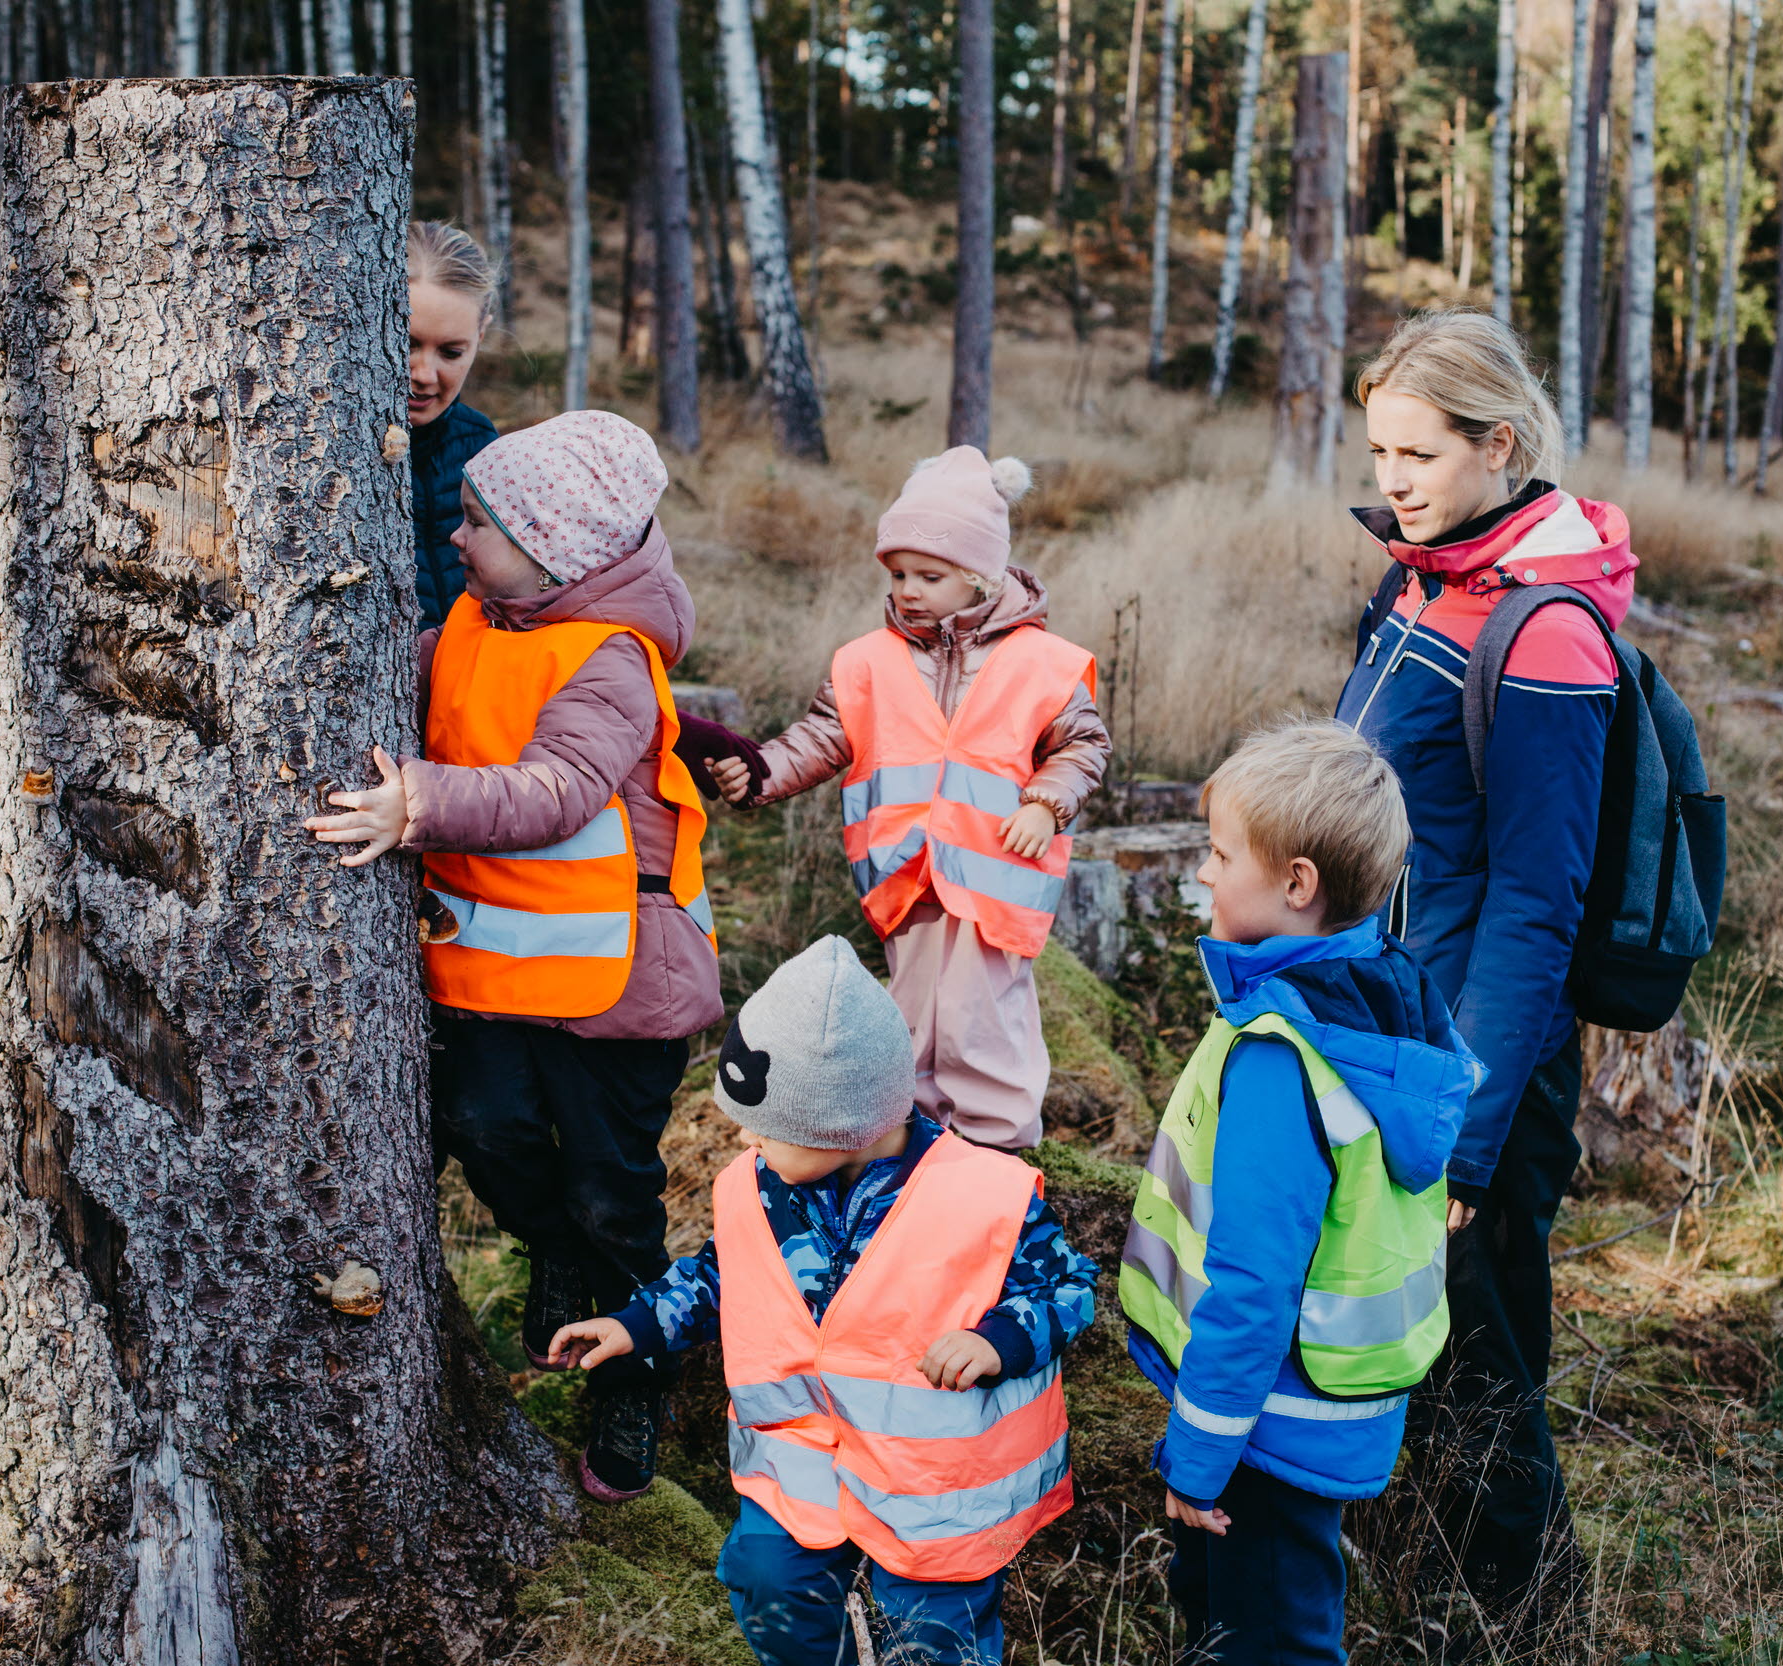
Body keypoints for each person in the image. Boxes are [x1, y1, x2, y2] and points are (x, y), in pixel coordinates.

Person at [303, 410, 721, 1503]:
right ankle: (556, 1254)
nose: (455, 536)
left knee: (613, 1195)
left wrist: (417, 805)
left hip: (620, 987)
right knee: (484, 1129)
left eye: (478, 523)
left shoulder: (611, 660)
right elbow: (422, 678)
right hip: (497, 968)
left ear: (555, 552)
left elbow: (556, 792)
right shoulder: (482, 613)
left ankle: (636, 1368)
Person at [1333, 308, 1635, 1652]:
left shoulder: (1546, 631)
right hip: (1387, 1027)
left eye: (1420, 452)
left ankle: (1533, 1616)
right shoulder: (1420, 578)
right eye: (1379, 448)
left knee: (1479, 1357)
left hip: (1475, 1057)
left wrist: (1464, 1135)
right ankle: (1423, 1580)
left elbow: (1533, 906)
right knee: (1415, 1342)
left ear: (1498, 443)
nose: (1391, 477)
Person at [547, 936, 1097, 1666]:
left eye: (767, 1126)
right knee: (765, 1582)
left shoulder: (982, 1195)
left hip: (933, 1494)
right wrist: (637, 1323)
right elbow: (722, 1274)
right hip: (801, 1467)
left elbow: (1067, 1288)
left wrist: (1000, 1341)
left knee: (932, 1639)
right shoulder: (757, 1187)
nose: (746, 1139)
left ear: (841, 1122)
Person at [1120, 718, 1483, 1666]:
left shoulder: (1283, 1059)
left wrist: (1198, 1454)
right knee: (1251, 1618)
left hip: (1261, 1427)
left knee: (1271, 1641)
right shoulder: (1383, 996)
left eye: (1220, 852)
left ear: (1295, 885)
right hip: (1323, 1411)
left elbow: (1254, 1283)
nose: (1202, 872)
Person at [703, 448, 1110, 1151]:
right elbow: (823, 736)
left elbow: (1083, 746)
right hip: (905, 879)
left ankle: (996, 1152)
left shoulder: (1044, 663)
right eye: (898, 574)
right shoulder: (866, 661)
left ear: (980, 576)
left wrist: (1046, 803)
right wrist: (763, 771)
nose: (910, 589)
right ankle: (917, 1144)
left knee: (984, 1020)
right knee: (911, 1018)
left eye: (931, 574)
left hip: (993, 881)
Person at [406, 220, 504, 633]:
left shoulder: (484, 448)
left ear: (480, 334)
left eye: (450, 352)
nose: (424, 374)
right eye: (405, 342)